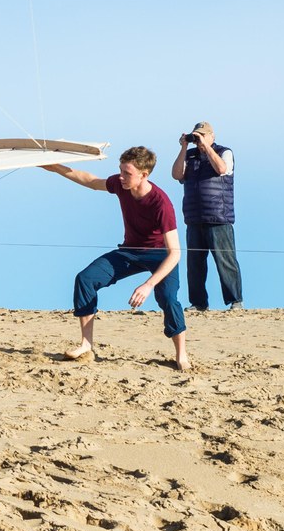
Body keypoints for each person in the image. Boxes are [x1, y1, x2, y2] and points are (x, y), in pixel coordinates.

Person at [44, 146, 190, 371]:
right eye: (120, 171)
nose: (121, 177)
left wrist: (148, 285)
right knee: (85, 279)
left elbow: (176, 253)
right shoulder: (121, 185)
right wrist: (54, 167)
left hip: (161, 255)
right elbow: (91, 181)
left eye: (127, 173)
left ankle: (181, 355)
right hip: (130, 251)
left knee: (169, 299)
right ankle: (86, 345)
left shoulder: (161, 204)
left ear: (144, 174)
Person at [171, 120, 242, 312]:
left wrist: (206, 148)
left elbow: (222, 169)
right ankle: (199, 303)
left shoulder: (224, 152)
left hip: (219, 217)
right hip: (194, 218)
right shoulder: (190, 154)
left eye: (203, 135)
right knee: (195, 265)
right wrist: (184, 147)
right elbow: (176, 175)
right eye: (196, 135)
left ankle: (235, 301)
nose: (199, 139)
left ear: (213, 136)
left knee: (225, 261)